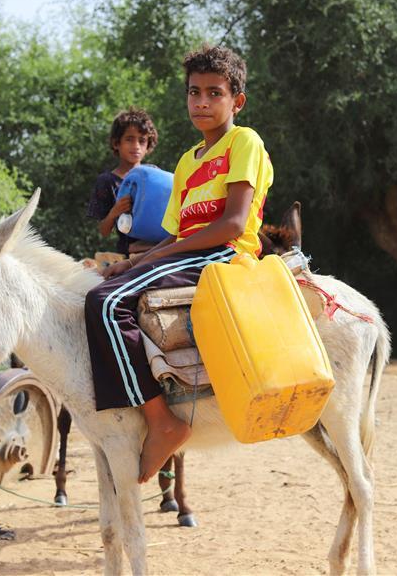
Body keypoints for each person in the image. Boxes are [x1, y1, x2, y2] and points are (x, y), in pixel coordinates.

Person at [84, 45, 273, 483]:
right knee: (107, 287)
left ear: (236, 101)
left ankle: (162, 421)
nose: (202, 102)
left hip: (225, 254)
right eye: (194, 93)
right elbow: (174, 233)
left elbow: (232, 223)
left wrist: (164, 255)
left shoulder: (243, 142)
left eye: (214, 93)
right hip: (189, 251)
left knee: (105, 304)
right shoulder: (188, 162)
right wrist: (134, 263)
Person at [86, 108, 159, 258]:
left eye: (142, 140)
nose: (136, 146)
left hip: (159, 247)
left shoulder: (154, 174)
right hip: (129, 253)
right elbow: (104, 231)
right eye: (129, 139)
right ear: (116, 143)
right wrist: (115, 211)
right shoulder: (107, 181)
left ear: (148, 145)